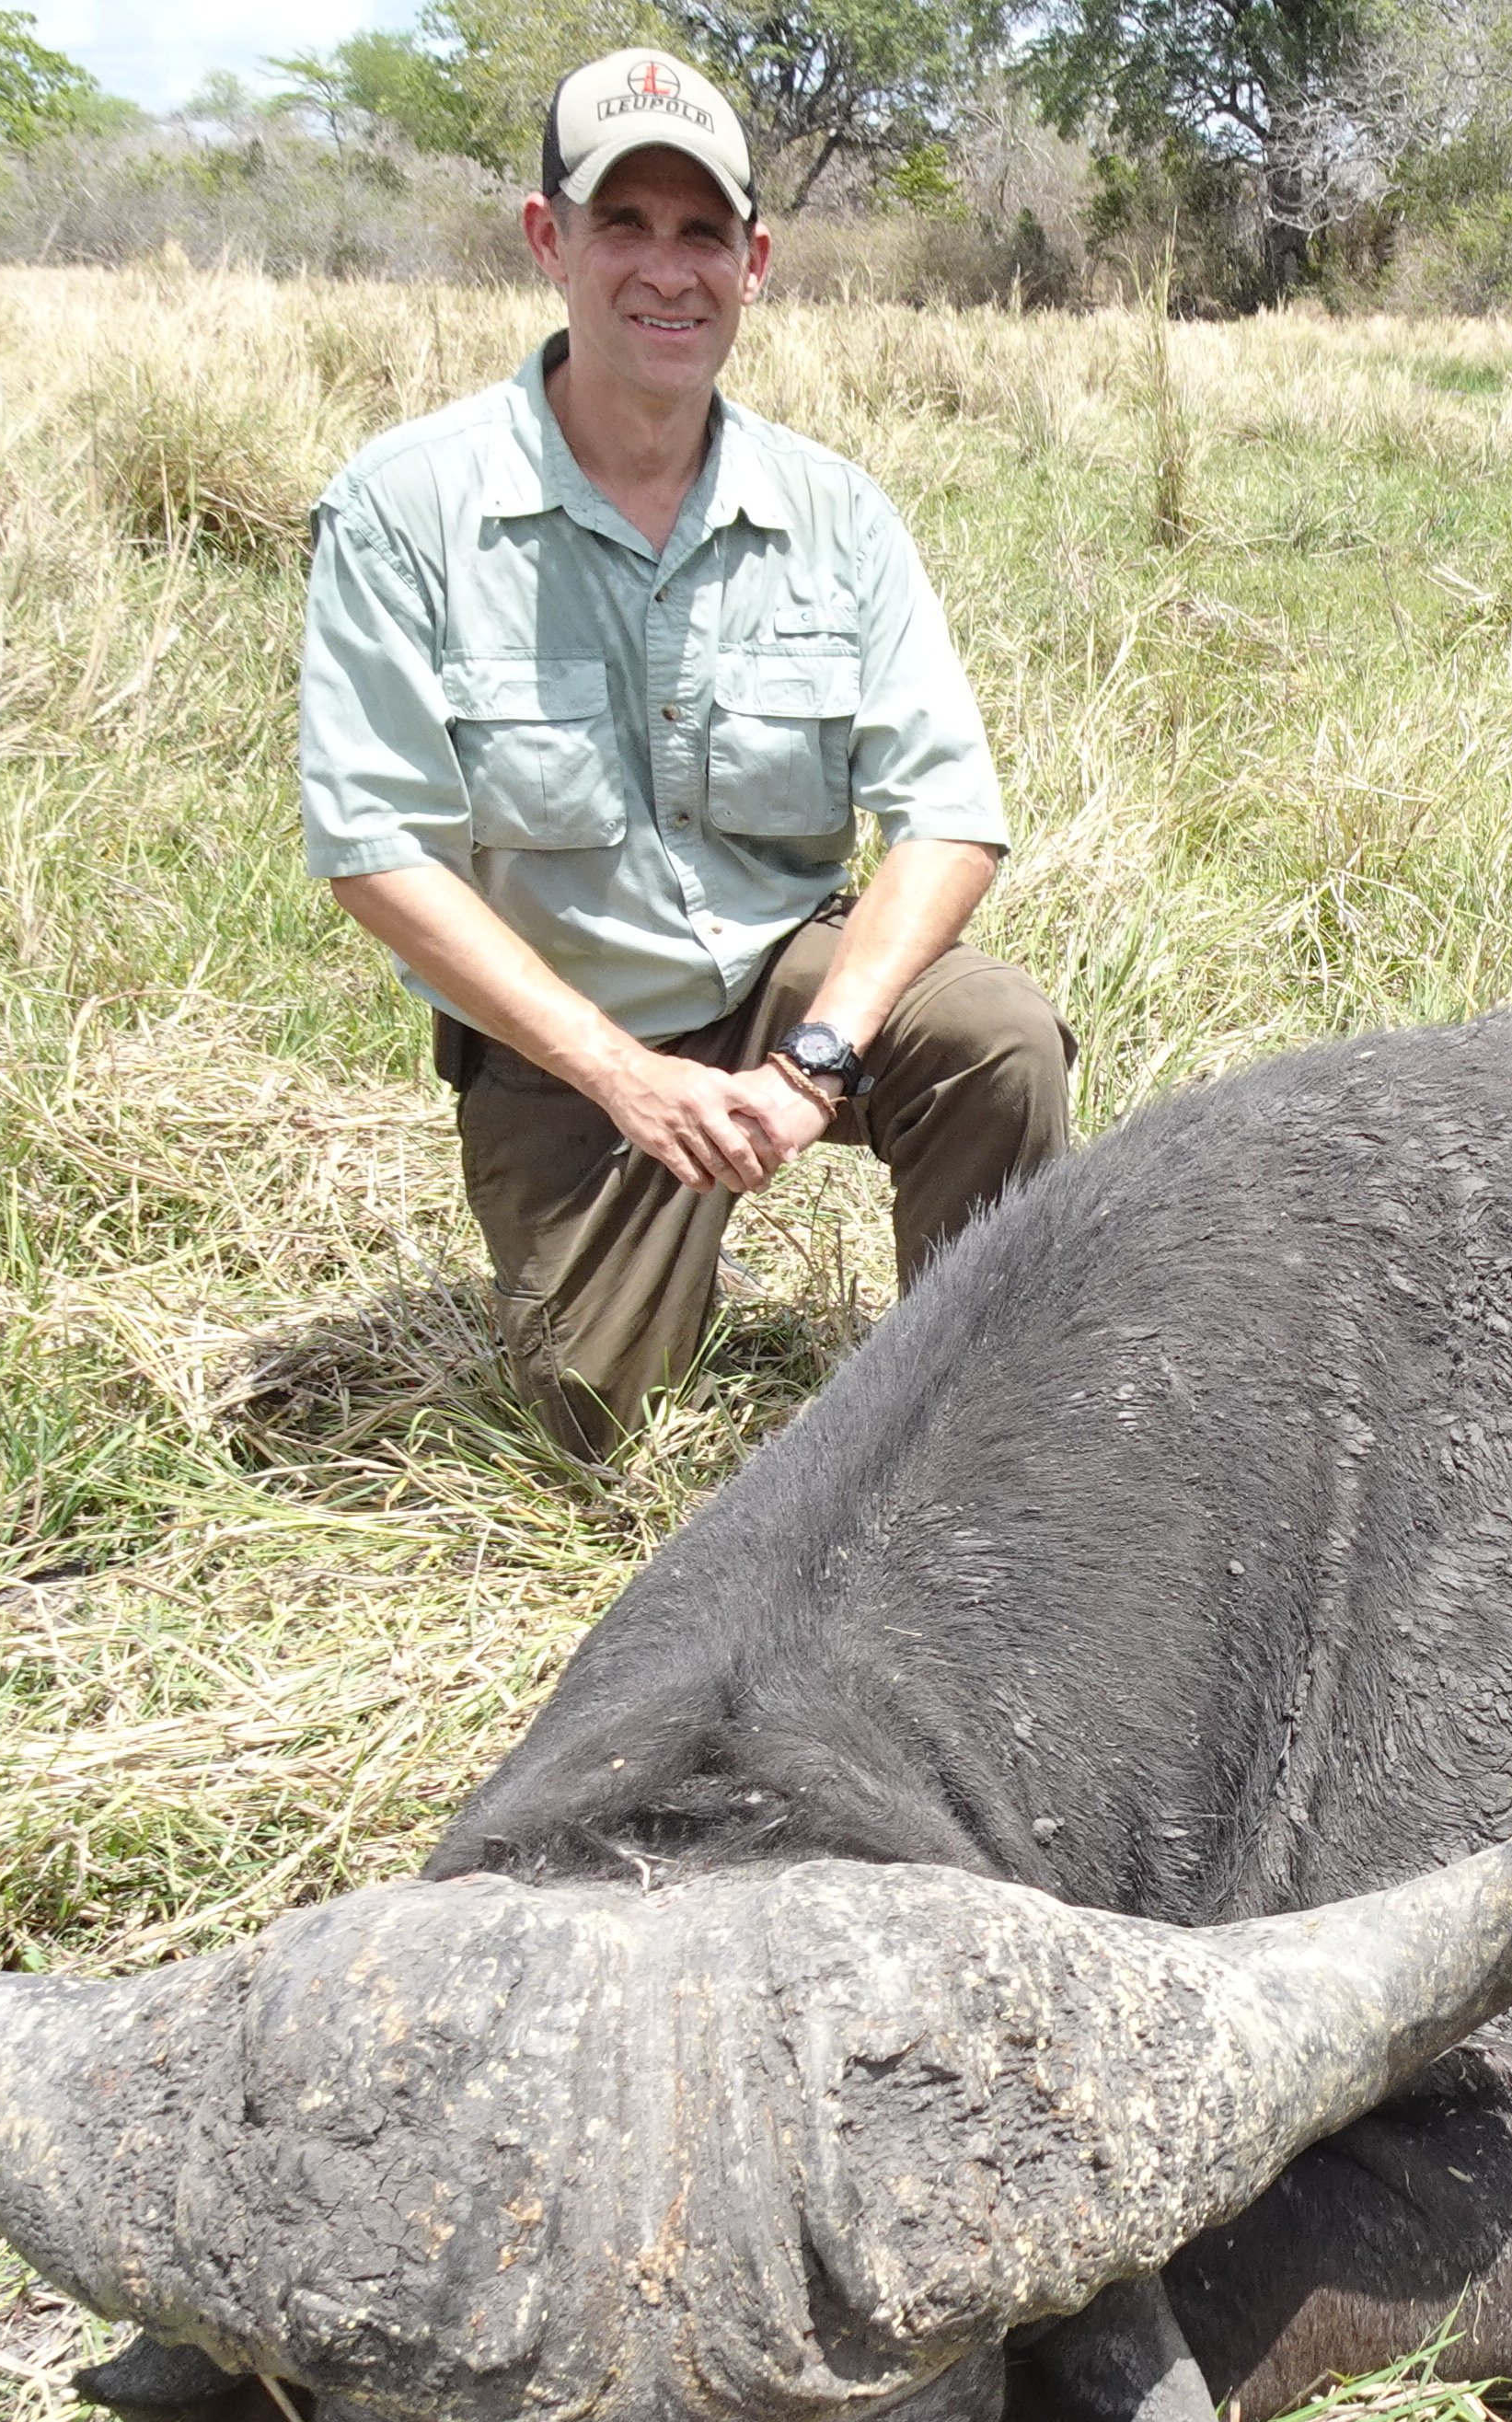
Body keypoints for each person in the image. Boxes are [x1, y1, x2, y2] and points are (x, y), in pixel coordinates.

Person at [297, 46, 1067, 1459]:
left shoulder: (837, 512)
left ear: (755, 261)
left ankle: (976, 1424)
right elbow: (374, 849)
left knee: (997, 1043)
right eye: (624, 225)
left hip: (783, 974)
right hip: (572, 1030)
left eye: (702, 232)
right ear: (549, 240)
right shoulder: (406, 508)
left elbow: (949, 814)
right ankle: (640, 1255)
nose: (668, 271)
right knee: (596, 1424)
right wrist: (624, 1076)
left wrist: (819, 1056)